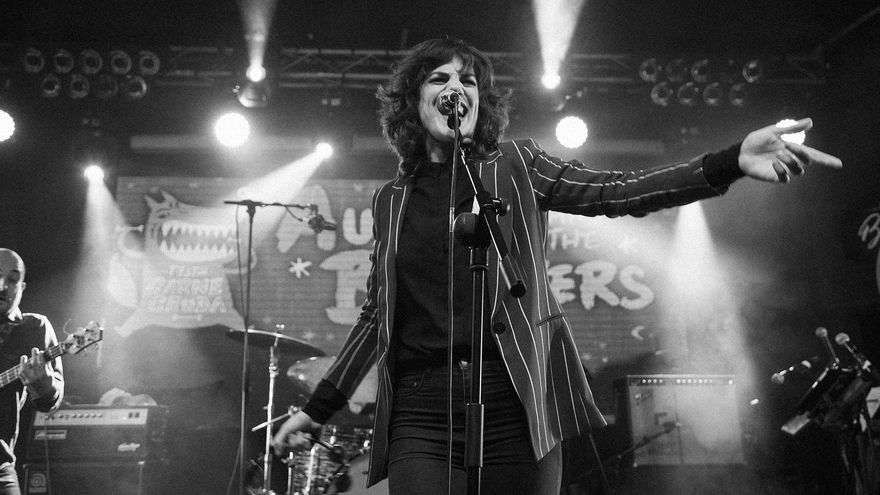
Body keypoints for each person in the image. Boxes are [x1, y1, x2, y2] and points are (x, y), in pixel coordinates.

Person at [272, 38, 843, 495]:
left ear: (480, 102)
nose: (455, 89)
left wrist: (729, 163)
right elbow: (377, 316)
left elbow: (618, 191)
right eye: (438, 79)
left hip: (516, 400)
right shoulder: (391, 201)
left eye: (467, 80)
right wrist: (318, 409)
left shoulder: (517, 165)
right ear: (412, 102)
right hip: (422, 410)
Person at [0, 249, 64, 495]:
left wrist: (44, 385)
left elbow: (50, 402)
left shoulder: (34, 327)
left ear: (22, 288)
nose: (3, 286)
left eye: (13, 279)